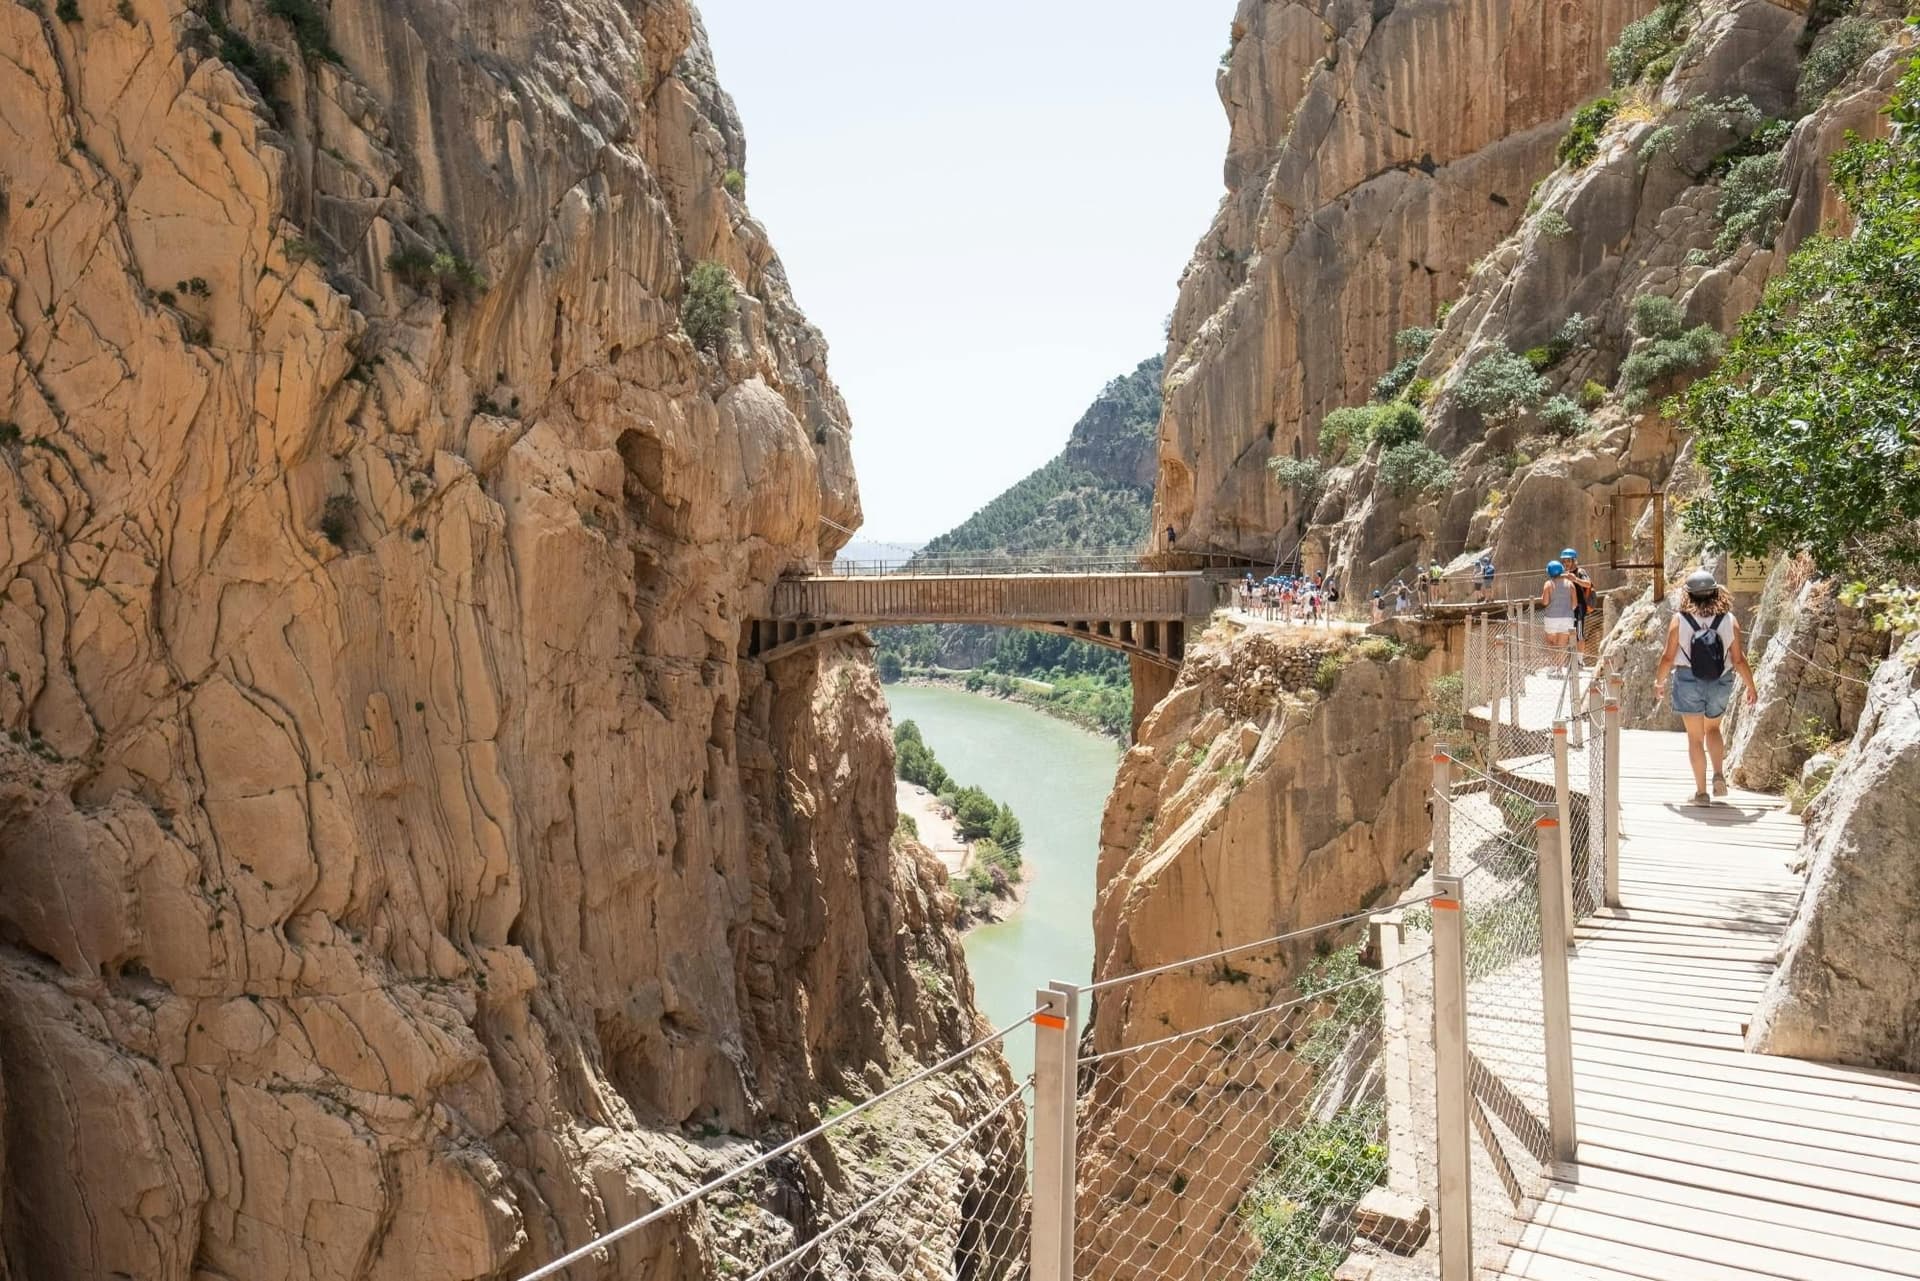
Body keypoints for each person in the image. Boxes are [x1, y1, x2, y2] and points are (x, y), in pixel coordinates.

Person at [1652, 569, 1758, 804]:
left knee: (1695, 738)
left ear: (1688, 595)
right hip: (1721, 679)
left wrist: (1659, 682)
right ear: (1715, 593)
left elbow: (1668, 657)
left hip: (1688, 679)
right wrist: (1751, 686)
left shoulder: (1679, 619)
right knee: (1713, 730)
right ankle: (1719, 774)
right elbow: (1738, 658)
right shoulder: (1729, 620)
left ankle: (1701, 793)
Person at [1540, 561, 1576, 662]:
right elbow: (1574, 604)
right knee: (1562, 645)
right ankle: (1559, 669)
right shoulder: (1570, 584)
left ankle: (1553, 666)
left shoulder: (1548, 584)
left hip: (1552, 618)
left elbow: (1545, 602)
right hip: (1567, 618)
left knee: (1551, 643)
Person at [1560, 547, 1593, 654]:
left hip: (1579, 608)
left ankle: (1579, 660)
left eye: (1568, 561)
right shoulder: (1565, 573)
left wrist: (1575, 579)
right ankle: (1572, 660)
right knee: (1569, 635)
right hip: (1568, 609)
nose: (1566, 563)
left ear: (1574, 560)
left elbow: (1588, 583)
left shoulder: (1580, 571)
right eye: (1564, 561)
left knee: (1579, 635)